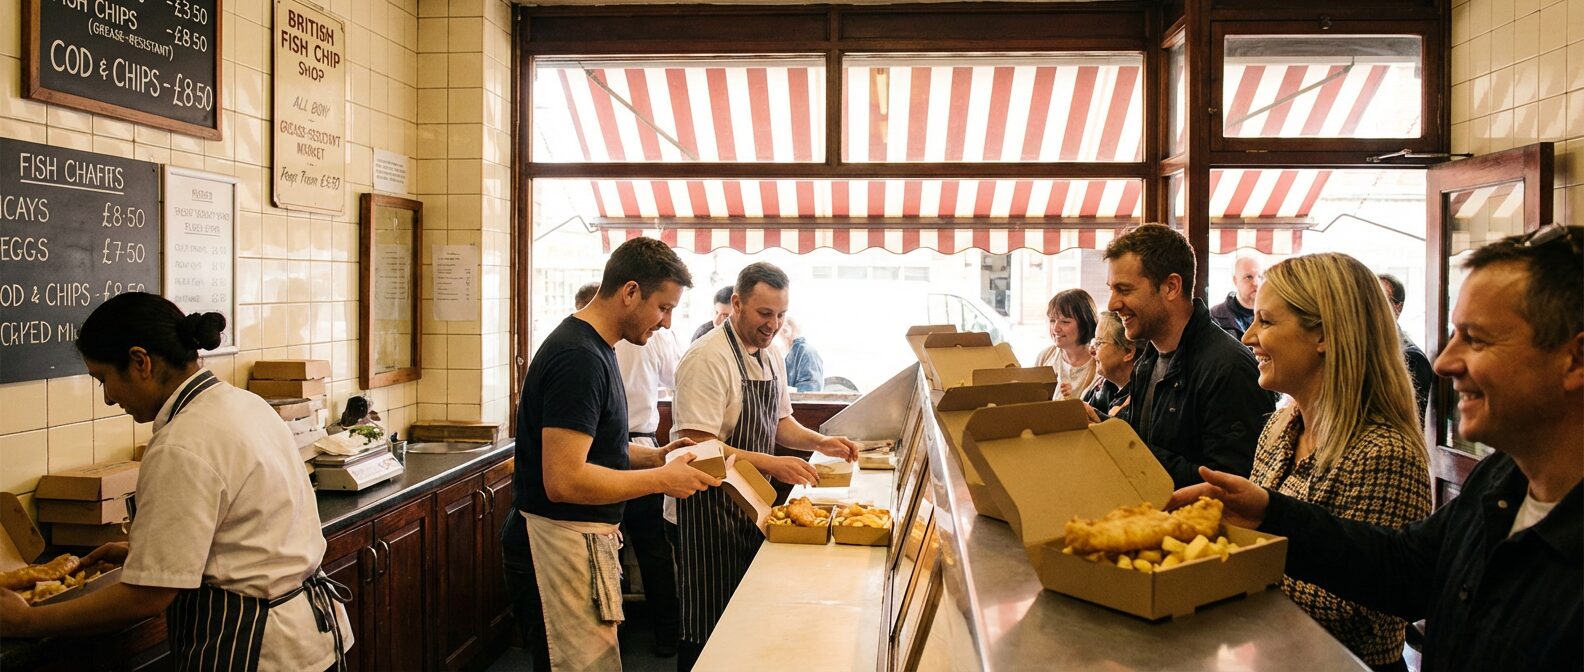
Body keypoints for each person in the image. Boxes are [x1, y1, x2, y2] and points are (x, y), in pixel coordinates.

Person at [1171, 225, 1583, 672]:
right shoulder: (1503, 479)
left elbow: (1365, 611)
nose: (1444, 362)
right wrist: (1267, 512)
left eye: (1477, 338)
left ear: (1575, 360)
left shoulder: (1388, 450)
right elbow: (1401, 569)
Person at [0, 293, 351, 670]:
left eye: (104, 379)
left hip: (256, 650)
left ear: (140, 362)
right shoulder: (242, 403)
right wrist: (150, 554)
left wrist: (27, 620)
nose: (108, 398)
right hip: (312, 639)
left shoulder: (181, 444)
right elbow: (244, 536)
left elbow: (146, 598)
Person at [513, 237, 720, 671]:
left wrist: (657, 456)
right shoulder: (578, 357)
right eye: (663, 307)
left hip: (579, 540)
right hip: (557, 542)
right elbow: (565, 478)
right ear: (629, 292)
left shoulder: (597, 347)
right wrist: (663, 480)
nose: (665, 323)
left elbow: (597, 447)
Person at [1241, 253, 1431, 670]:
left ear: (1324, 334)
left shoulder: (1384, 452)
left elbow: (1351, 610)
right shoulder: (1280, 427)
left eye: (1266, 322)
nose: (1248, 337)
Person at [669, 262, 860, 670]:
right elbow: (700, 447)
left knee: (745, 625)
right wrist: (773, 462)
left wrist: (820, 441)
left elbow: (780, 423)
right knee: (706, 626)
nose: (774, 324)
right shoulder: (707, 359)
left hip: (752, 505)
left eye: (781, 314)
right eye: (764, 313)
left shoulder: (772, 354)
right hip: (707, 507)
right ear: (736, 304)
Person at [1103, 224, 1273, 486]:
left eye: (1124, 290)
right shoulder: (1147, 360)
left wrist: (1126, 448)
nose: (1112, 304)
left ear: (1171, 286)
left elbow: (1232, 489)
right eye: (1112, 290)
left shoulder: (1229, 368)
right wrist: (1099, 426)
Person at [573, 281, 686, 658]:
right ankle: (667, 634)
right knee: (651, 549)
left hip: (633, 451)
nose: (665, 322)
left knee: (614, 549)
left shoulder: (634, 338)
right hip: (622, 449)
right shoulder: (584, 352)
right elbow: (677, 381)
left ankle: (615, 634)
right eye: (663, 310)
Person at [1377, 273, 1435, 422]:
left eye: (1380, 301)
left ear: (1398, 308)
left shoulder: (1412, 358)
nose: (1371, 308)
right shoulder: (1361, 350)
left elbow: (1405, 422)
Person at [1035, 289, 1099, 400]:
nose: (1055, 328)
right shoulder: (1045, 356)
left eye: (1065, 322)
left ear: (1085, 323)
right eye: (1052, 321)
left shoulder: (1099, 363)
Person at [1083, 311, 1145, 418]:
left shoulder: (1143, 398)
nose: (1091, 351)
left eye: (1099, 343)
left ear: (1128, 351)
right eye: (1094, 342)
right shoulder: (1103, 385)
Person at [1210, 255, 1263, 338]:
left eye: (1259, 277)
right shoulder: (1215, 316)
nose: (1256, 283)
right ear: (1235, 280)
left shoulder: (1272, 315)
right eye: (1249, 277)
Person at [777, 317, 824, 392]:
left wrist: (781, 391)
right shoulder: (781, 353)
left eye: (788, 325)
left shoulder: (807, 352)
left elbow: (810, 391)